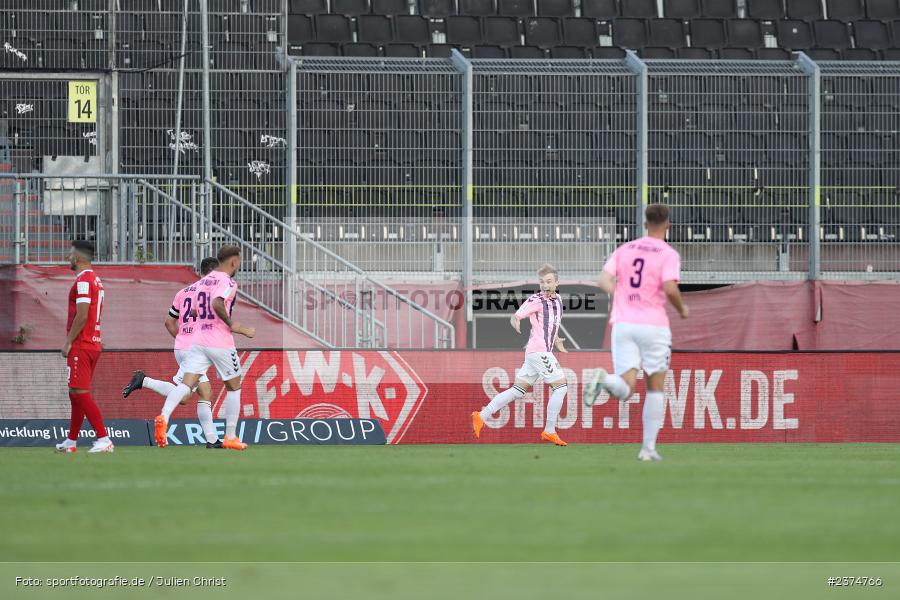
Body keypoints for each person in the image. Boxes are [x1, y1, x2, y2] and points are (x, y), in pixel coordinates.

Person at [584, 203, 689, 462]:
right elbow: (670, 288)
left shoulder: (625, 249)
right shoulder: (668, 253)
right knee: (655, 387)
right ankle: (648, 449)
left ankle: (604, 380)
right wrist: (682, 309)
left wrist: (620, 295)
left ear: (644, 224)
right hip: (654, 326)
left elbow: (603, 280)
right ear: (668, 225)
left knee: (626, 388)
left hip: (624, 323)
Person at [155, 245, 255, 450]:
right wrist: (232, 324)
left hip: (198, 342)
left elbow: (192, 311)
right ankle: (230, 436)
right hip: (220, 341)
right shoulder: (227, 281)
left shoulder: (201, 282)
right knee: (234, 387)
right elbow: (218, 303)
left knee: (186, 383)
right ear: (233, 261)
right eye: (239, 261)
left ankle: (164, 416)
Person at [121, 257, 222, 448]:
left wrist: (184, 338)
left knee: (204, 391)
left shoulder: (183, 292)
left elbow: (169, 322)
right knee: (184, 396)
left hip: (181, 346)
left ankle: (212, 440)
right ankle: (147, 387)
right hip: (196, 350)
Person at [472, 264, 570, 446]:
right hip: (539, 351)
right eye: (542, 282)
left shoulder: (557, 301)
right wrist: (515, 320)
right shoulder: (536, 299)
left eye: (548, 281)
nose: (545, 285)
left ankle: (481, 416)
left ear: (557, 282)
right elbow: (516, 315)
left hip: (537, 353)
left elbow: (551, 326)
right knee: (561, 388)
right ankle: (549, 431)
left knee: (517, 391)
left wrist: (557, 341)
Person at [55, 240, 114, 453]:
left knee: (80, 392)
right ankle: (71, 442)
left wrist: (69, 341)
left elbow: (82, 314)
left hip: (82, 344)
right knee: (75, 392)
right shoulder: (96, 280)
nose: (68, 258)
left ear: (77, 258)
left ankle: (104, 439)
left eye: (70, 254)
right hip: (92, 343)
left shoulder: (83, 281)